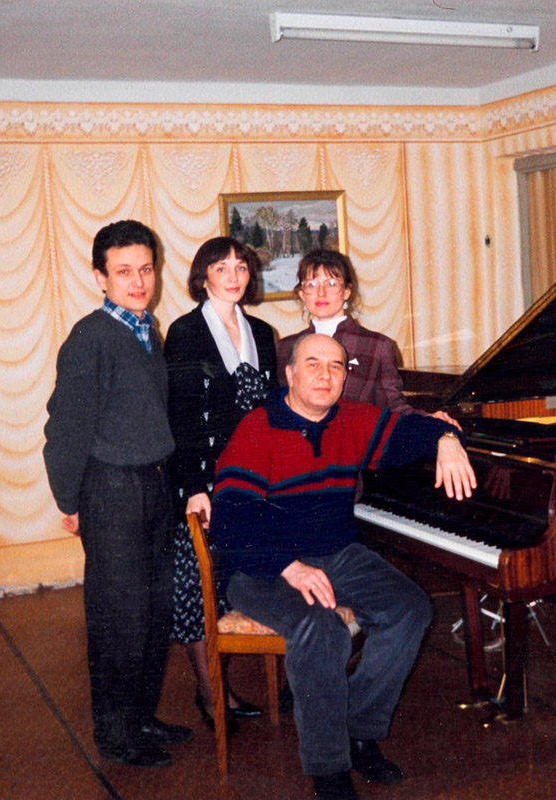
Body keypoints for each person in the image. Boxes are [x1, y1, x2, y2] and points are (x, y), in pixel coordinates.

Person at [211, 333, 477, 800]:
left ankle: (358, 732)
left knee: (409, 608)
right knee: (322, 628)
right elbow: (231, 522)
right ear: (290, 375)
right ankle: (329, 768)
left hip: (336, 554)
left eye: (336, 366)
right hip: (259, 567)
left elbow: (410, 432)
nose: (325, 375)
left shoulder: (351, 419)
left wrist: (447, 438)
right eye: (313, 364)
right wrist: (289, 567)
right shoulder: (257, 428)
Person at [43, 220, 191, 768]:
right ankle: (116, 734)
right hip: (112, 490)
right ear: (100, 278)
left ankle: (141, 716)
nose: (138, 281)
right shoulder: (91, 338)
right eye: (123, 272)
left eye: (145, 269)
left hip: (154, 484)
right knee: (119, 617)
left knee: (154, 611)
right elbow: (65, 428)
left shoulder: (147, 330)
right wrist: (72, 501)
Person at [163, 237, 277, 733]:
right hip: (205, 483)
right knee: (200, 587)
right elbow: (180, 416)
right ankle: (211, 695)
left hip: (254, 482)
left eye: (241, 267)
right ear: (203, 276)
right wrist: (193, 486)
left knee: (241, 584)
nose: (233, 276)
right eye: (221, 267)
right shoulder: (185, 332)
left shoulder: (263, 333)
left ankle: (233, 688)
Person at [275, 249, 415, 413]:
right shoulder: (284, 348)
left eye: (331, 284)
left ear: (347, 292)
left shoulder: (377, 346)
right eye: (312, 285)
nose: (321, 293)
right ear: (302, 293)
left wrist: (430, 422)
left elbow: (394, 406)